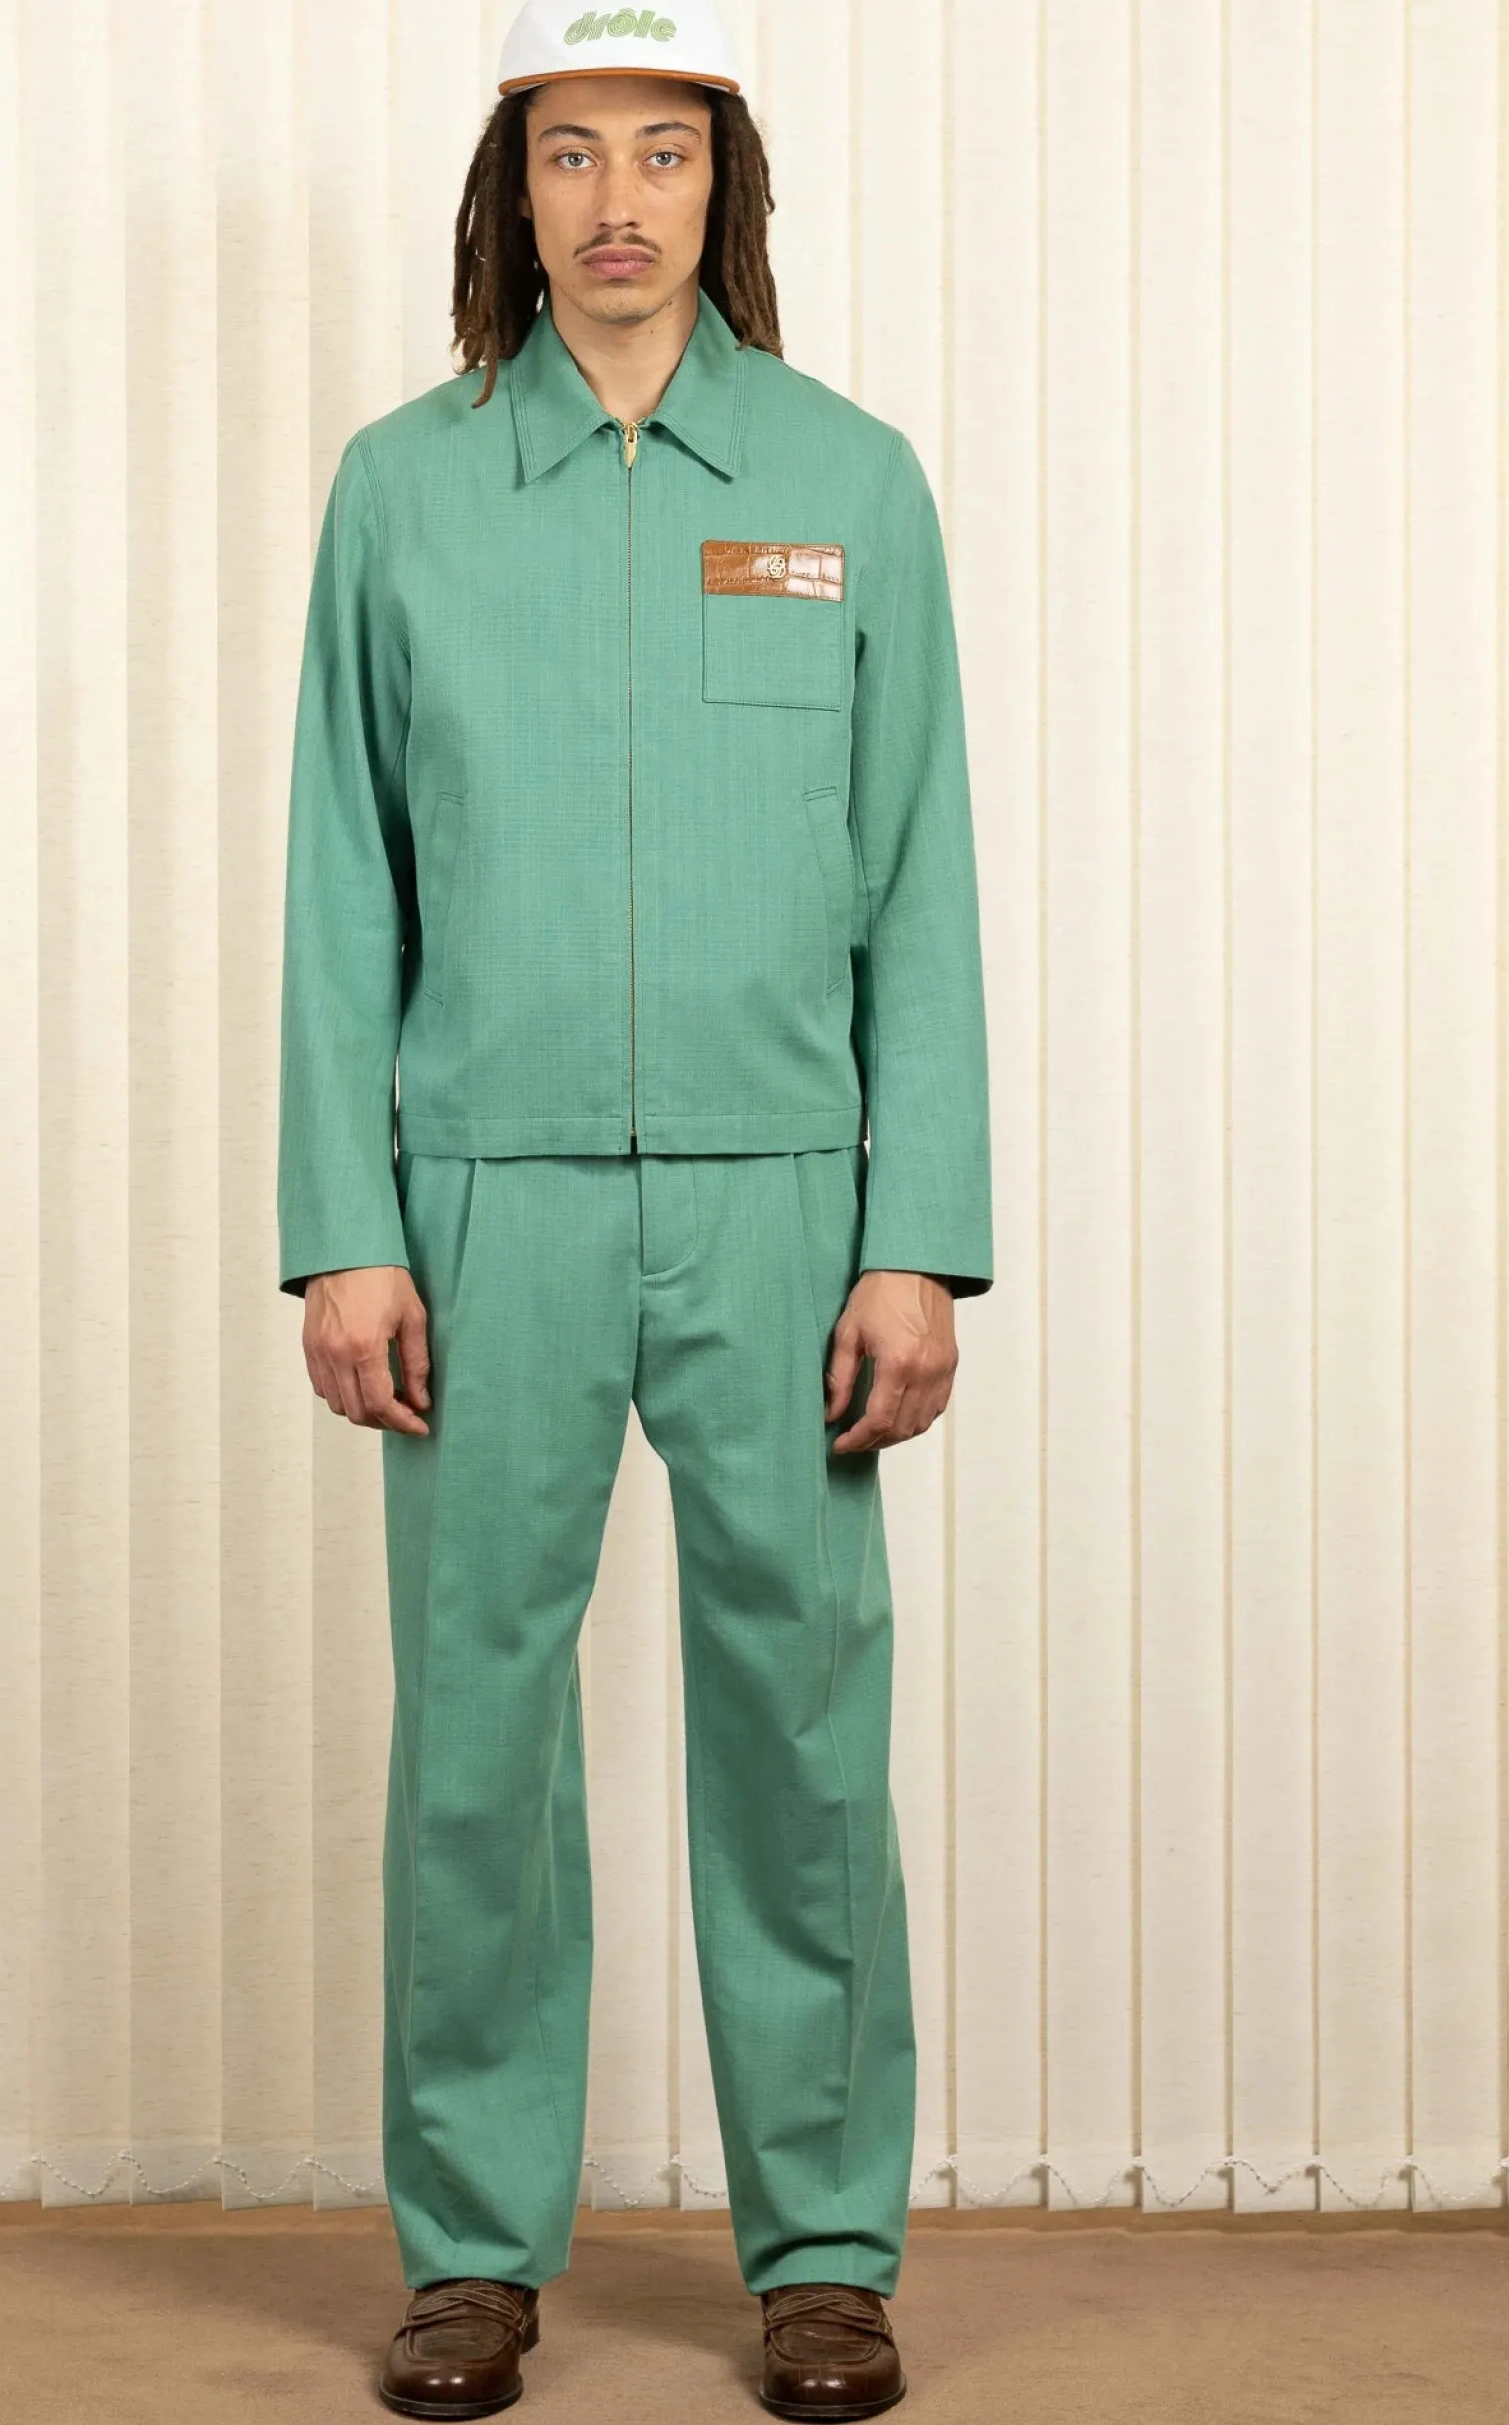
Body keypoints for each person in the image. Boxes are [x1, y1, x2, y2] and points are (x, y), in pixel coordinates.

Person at [277, 3, 992, 2413]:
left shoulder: (845, 480)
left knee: (802, 1730)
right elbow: (338, 884)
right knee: (475, 1738)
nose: (614, 199)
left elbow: (918, 884)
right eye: (569, 151)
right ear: (514, 186)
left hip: (783, 1205)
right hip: (481, 1207)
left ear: (722, 183)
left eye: (661, 152)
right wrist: (344, 1223)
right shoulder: (401, 490)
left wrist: (917, 1237)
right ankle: (473, 2251)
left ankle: (825, 2254)